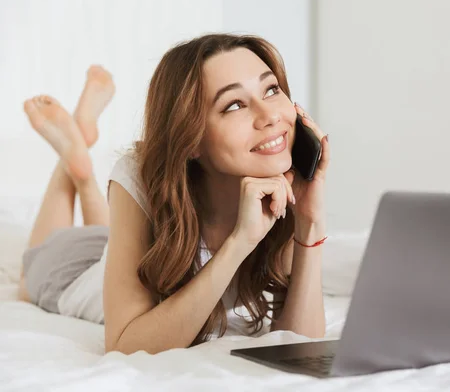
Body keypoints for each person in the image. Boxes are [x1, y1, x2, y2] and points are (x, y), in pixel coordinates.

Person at [18, 33, 331, 355]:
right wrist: (240, 243)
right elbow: (125, 345)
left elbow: (299, 345)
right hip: (76, 268)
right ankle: (72, 162)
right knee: (31, 272)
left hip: (119, 249)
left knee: (109, 235)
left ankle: (80, 158)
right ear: (191, 138)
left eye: (271, 89)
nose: (270, 117)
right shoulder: (141, 174)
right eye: (234, 105)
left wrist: (309, 222)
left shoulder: (284, 186)